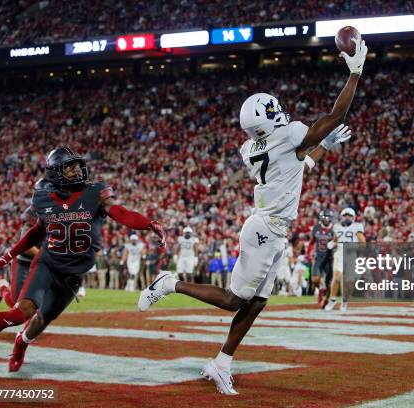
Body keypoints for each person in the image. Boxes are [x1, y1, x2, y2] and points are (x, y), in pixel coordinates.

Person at [138, 38, 367, 395]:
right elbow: (335, 116)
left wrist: (324, 147)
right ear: (270, 115)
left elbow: (299, 165)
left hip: (272, 229)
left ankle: (222, 362)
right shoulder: (288, 134)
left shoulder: (252, 148)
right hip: (265, 229)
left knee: (257, 302)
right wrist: (354, 72)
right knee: (234, 300)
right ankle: (170, 283)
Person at [0, 146, 166, 372]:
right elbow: (37, 232)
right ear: (55, 172)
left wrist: (148, 224)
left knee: (41, 320)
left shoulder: (94, 192)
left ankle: (21, 343)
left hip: (72, 275)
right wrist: (8, 255)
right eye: (69, 168)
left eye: (77, 166)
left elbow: (120, 212)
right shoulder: (43, 195)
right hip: (46, 265)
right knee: (20, 313)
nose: (77, 171)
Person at [0, 206, 40, 308]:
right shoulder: (30, 220)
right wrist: (46, 254)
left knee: (38, 301)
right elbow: (28, 248)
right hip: (23, 262)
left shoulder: (54, 215)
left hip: (38, 264)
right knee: (15, 304)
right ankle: (2, 287)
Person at [325, 207, 366, 312]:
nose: (347, 217)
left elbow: (363, 243)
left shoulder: (357, 227)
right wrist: (331, 244)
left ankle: (344, 301)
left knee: (349, 282)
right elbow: (335, 240)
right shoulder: (337, 227)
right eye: (345, 215)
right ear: (341, 217)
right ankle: (332, 299)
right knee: (337, 277)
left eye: (349, 215)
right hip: (339, 254)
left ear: (353, 217)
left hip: (351, 256)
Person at [307, 209, 336, 306]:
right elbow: (312, 242)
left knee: (329, 283)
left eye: (328, 217)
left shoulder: (334, 229)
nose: (326, 219)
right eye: (324, 217)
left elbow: (338, 243)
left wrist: (334, 245)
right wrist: (308, 253)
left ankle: (326, 301)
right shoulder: (316, 228)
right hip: (318, 256)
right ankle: (320, 288)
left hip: (329, 259)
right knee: (314, 279)